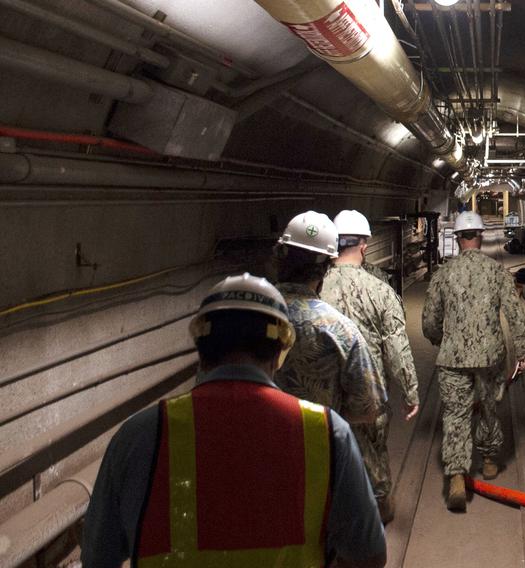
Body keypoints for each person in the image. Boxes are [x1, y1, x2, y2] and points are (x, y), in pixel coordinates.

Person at [82, 274, 386, 568]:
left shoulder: (139, 434)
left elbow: (98, 557)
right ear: (279, 352)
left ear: (201, 351)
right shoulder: (327, 432)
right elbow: (368, 555)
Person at [421, 211, 525, 511]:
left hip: (453, 358)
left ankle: (457, 474)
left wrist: (439, 340)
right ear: (480, 237)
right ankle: (489, 460)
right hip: (490, 356)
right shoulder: (496, 272)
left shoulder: (443, 274)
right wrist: (522, 353)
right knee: (489, 407)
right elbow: (515, 314)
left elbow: (430, 321)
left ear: (457, 239)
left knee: (455, 416)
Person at [321, 209, 420, 524]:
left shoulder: (315, 287)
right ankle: (379, 511)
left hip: (322, 396)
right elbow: (396, 347)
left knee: (326, 455)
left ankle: (332, 515)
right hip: (369, 393)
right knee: (373, 452)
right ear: (364, 245)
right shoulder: (380, 290)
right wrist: (410, 391)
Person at [273, 211, 385, 424]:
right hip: (315, 448)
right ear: (326, 266)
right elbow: (369, 408)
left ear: (280, 256)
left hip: (256, 451)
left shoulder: (246, 316)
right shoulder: (339, 329)